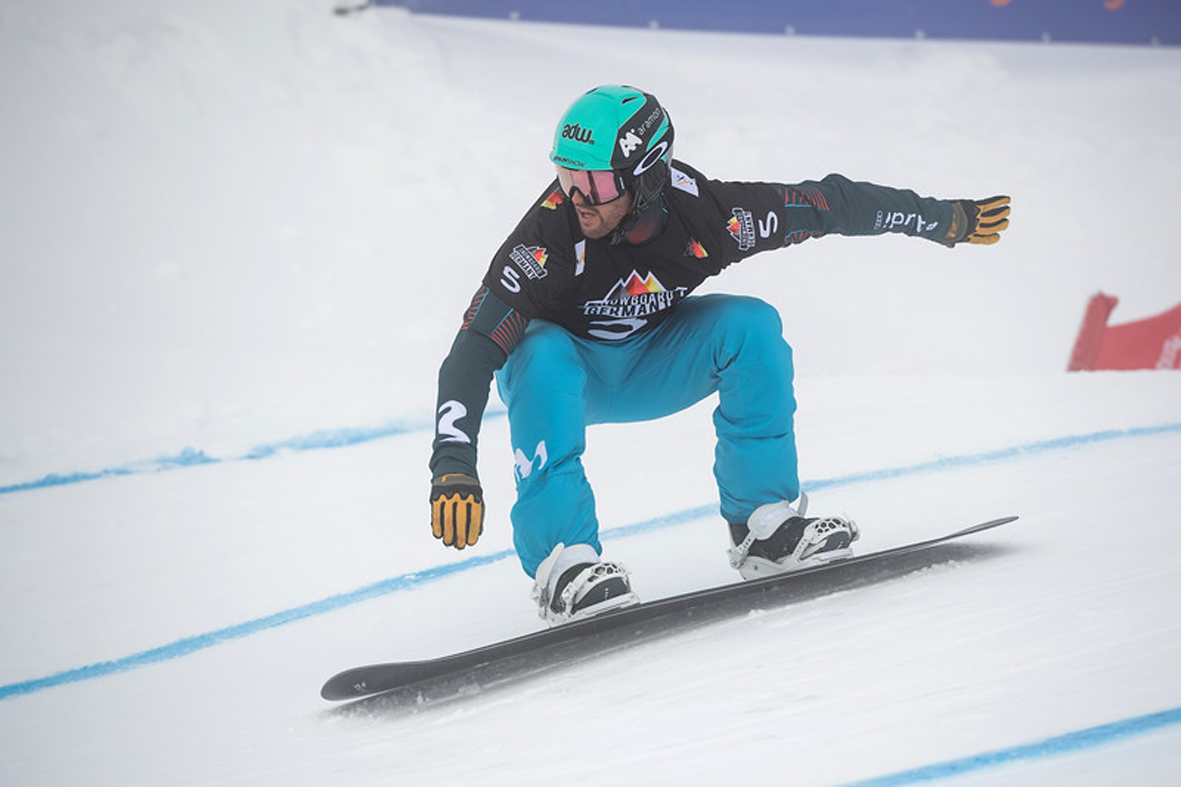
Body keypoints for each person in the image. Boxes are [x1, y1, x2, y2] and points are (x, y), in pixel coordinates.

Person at [427, 85, 1010, 626]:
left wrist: (942, 219)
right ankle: (566, 563)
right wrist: (453, 461)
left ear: (648, 177)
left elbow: (830, 205)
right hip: (564, 383)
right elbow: (474, 348)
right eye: (565, 176)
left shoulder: (713, 216)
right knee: (538, 348)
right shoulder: (547, 236)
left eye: (597, 183)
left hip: (654, 364)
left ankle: (764, 527)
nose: (577, 197)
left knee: (751, 325)